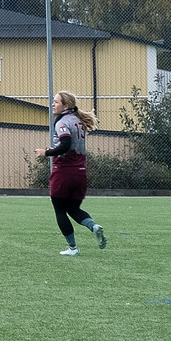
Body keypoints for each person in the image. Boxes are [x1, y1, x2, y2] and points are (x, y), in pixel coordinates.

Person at [38, 91, 105, 256]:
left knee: (60, 210)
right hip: (80, 174)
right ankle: (93, 226)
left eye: (56, 102)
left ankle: (73, 248)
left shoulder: (62, 122)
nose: (53, 104)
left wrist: (46, 153)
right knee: (73, 209)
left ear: (65, 106)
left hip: (64, 173)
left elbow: (66, 143)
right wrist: (54, 149)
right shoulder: (78, 121)